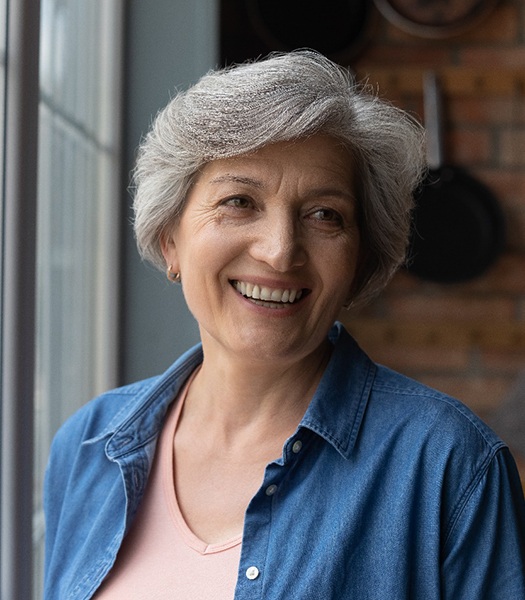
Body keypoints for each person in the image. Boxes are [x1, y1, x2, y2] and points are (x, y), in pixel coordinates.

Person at [43, 50, 525, 599]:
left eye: (325, 215)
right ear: (169, 238)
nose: (279, 252)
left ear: (361, 260)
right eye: (240, 201)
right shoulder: (86, 446)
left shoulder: (451, 467)